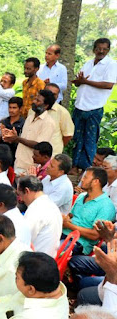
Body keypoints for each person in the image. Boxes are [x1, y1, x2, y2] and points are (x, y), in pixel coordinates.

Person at [72, 38, 117, 170]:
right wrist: (79, 81)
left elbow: (108, 85)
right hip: (80, 105)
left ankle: (87, 170)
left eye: (104, 49)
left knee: (90, 140)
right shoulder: (88, 63)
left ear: (108, 50)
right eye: (98, 49)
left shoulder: (111, 65)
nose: (101, 51)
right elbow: (79, 81)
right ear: (94, 49)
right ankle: (75, 166)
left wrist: (86, 82)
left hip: (94, 107)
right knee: (77, 138)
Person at [63, 167, 116, 255]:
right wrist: (65, 219)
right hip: (63, 233)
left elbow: (95, 235)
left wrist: (68, 225)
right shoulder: (81, 196)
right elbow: (71, 215)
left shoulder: (106, 206)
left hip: (78, 243)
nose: (82, 180)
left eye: (85, 177)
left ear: (96, 182)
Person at [5, 89, 57, 174]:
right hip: (19, 162)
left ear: (46, 106)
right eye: (35, 98)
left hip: (30, 167)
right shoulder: (30, 117)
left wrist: (17, 138)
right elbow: (23, 138)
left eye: (38, 100)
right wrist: (12, 137)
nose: (34, 101)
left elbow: (39, 145)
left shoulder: (48, 122)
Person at [16, 176, 62, 257]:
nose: (21, 200)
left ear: (27, 191)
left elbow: (23, 239)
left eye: (20, 195)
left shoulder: (36, 209)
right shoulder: (50, 205)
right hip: (47, 256)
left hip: (36, 260)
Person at [44, 83, 75, 155]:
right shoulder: (33, 110)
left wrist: (57, 147)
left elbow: (68, 135)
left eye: (54, 94)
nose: (50, 96)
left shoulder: (63, 112)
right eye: (48, 93)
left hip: (52, 156)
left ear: (58, 96)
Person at [0, 96, 25, 162]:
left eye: (14, 108)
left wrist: (13, 138)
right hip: (2, 156)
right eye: (10, 107)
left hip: (16, 157)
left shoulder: (24, 123)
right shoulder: (3, 121)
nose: (11, 110)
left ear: (20, 109)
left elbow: (23, 142)